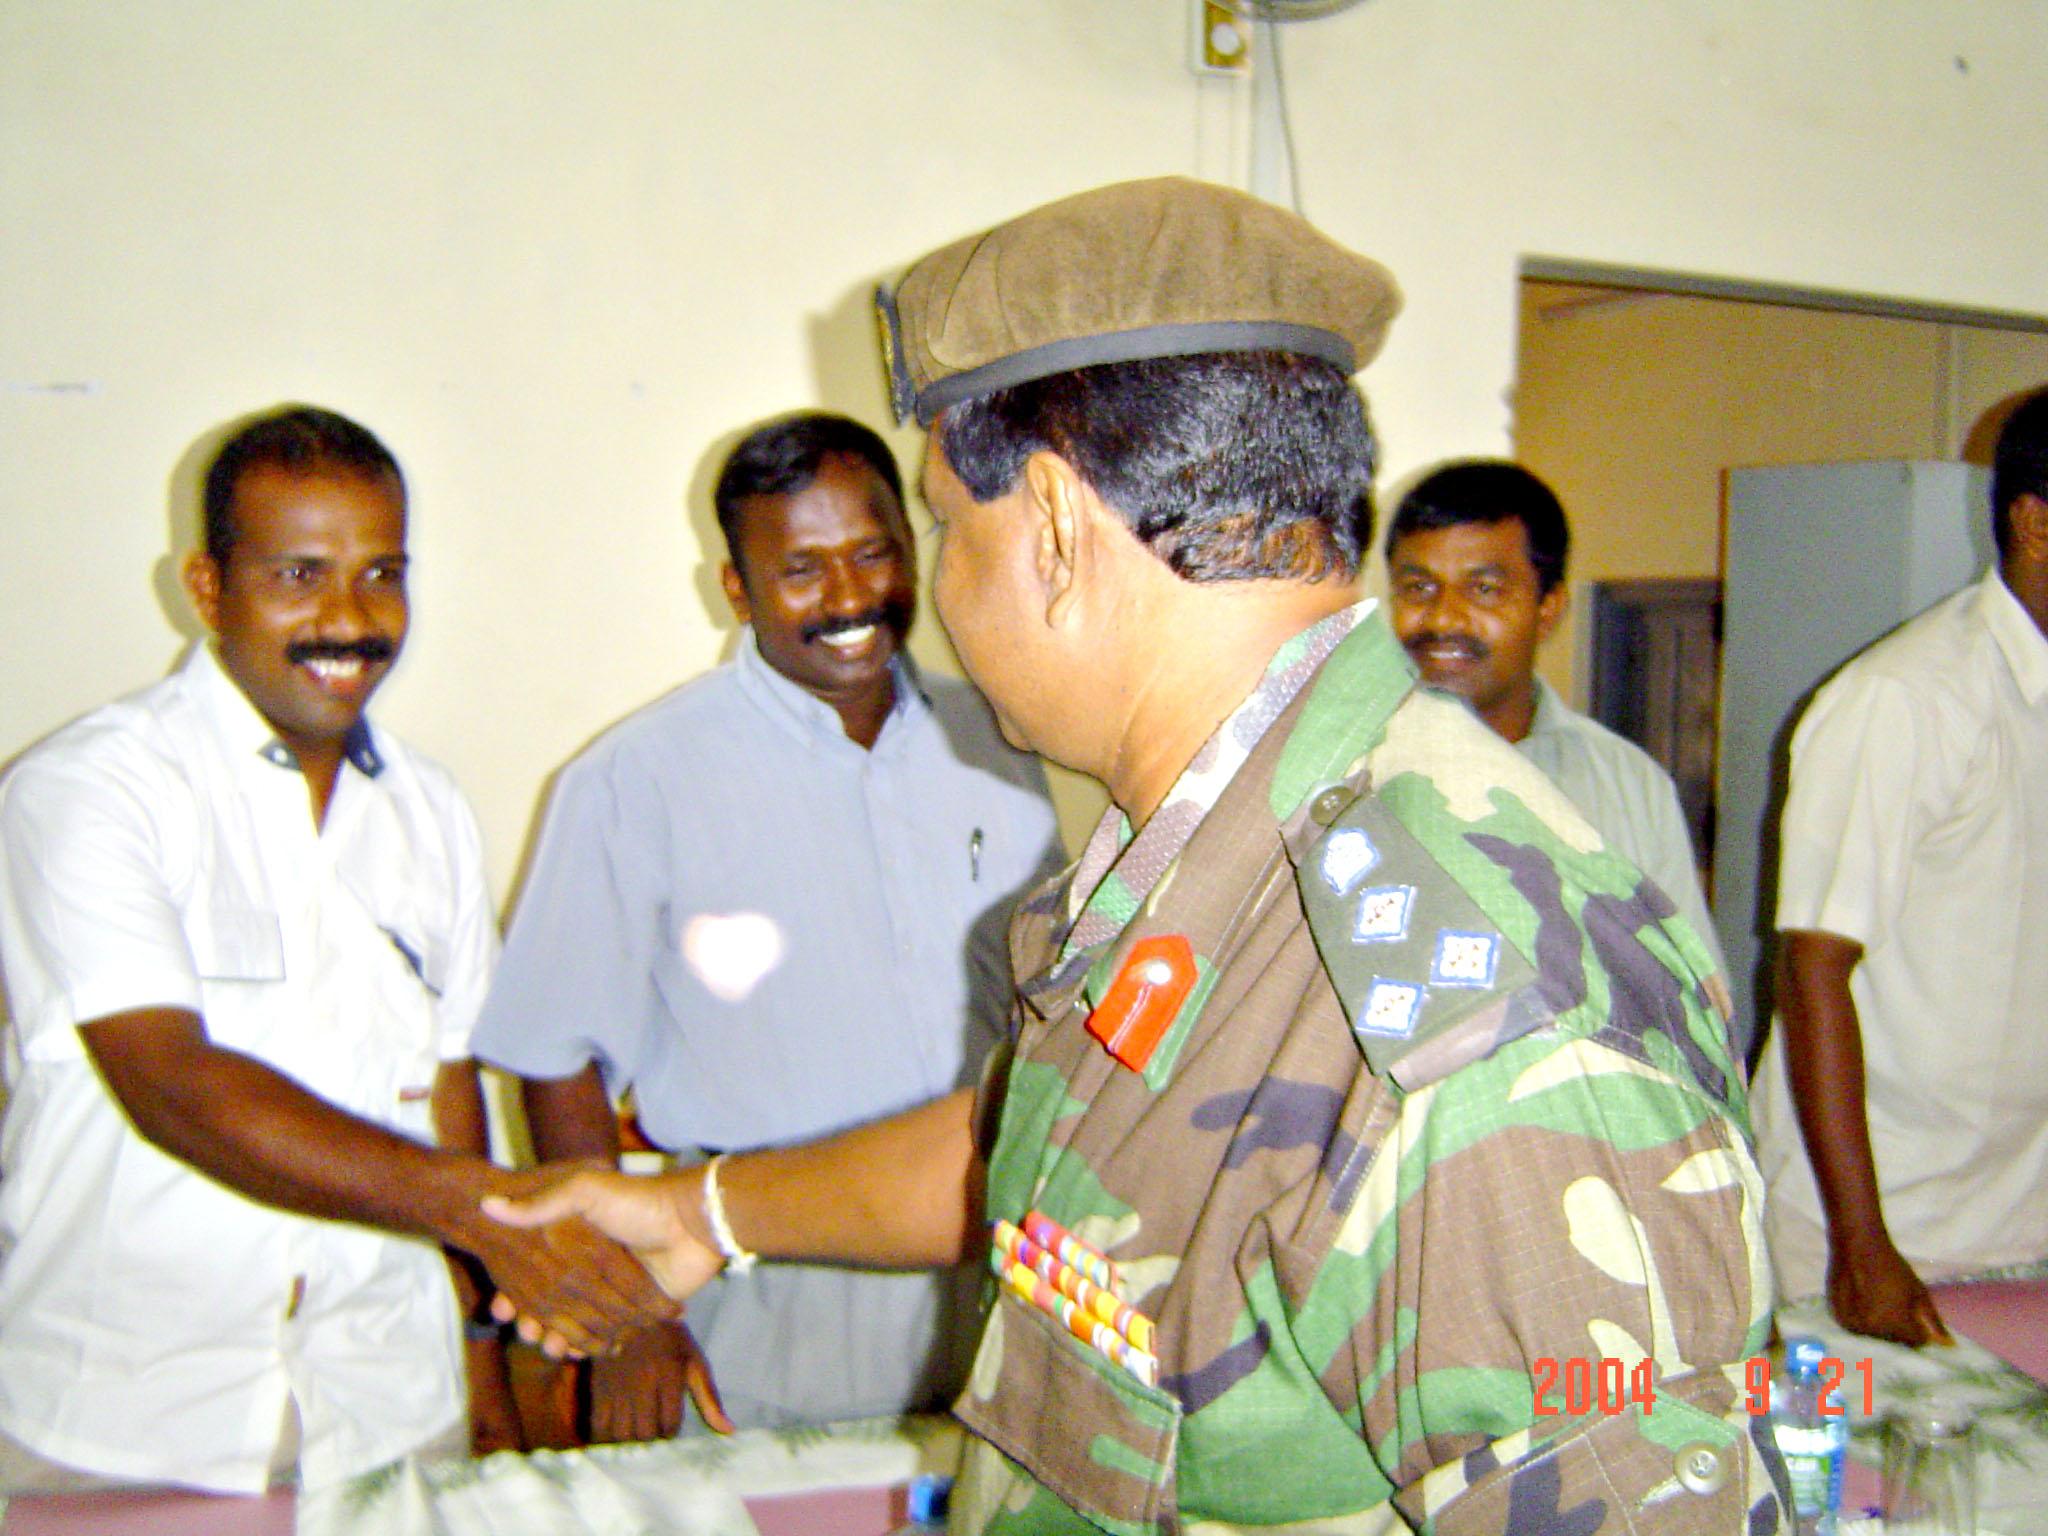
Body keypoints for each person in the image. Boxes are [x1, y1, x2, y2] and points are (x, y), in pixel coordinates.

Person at [487, 180, 1786, 1531]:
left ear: (1050, 527)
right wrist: (705, 1213)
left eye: (943, 525)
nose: (936, 589)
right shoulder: (1215, 850)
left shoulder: (1464, 1001)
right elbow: (1082, 1149)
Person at [0, 405, 676, 1495]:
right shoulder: (87, 790)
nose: (349, 618)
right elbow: (173, 1083)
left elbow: (451, 1090)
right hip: (122, 1422)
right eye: (298, 575)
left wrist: (483, 1372)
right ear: (207, 587)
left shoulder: (430, 811)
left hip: (386, 1417)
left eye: (381, 574)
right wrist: (479, 1213)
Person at [470, 411, 1061, 1440]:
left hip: (998, 1295)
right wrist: (626, 1322)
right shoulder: (633, 780)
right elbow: (557, 1061)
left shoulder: (1001, 738)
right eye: (799, 569)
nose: (846, 598)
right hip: (760, 1305)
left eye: (871, 552)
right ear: (734, 589)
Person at [1750, 387, 2048, 1346]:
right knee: (1868, 1494)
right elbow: (1811, 967)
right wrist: (1860, 1238)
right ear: (2034, 524)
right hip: (1882, 1230)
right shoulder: (1906, 699)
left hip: (2021, 1219)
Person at [1384, 459, 1732, 1035]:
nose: (1443, 617)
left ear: (1549, 608)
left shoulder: (1626, 785)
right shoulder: (1342, 769)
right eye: (1418, 587)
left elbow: (1696, 1002)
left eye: (1485, 589)